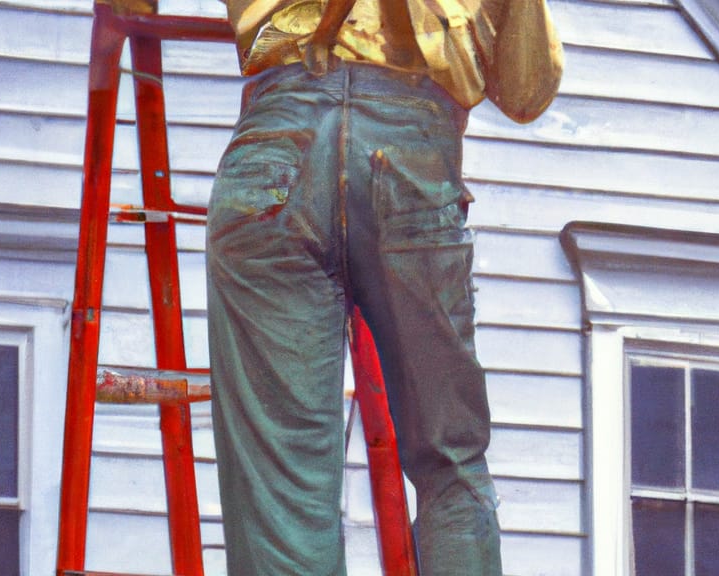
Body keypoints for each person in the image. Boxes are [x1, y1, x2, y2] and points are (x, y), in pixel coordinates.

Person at [206, 1, 562, 573]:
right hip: (412, 153)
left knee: (284, 491)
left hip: (277, 148)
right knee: (450, 465)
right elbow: (524, 93)